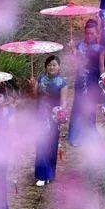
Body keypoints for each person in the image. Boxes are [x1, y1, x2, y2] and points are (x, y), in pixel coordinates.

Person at [68, 19, 105, 146]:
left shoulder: (100, 48)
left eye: (92, 34)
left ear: (97, 34)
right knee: (77, 107)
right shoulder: (79, 46)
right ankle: (75, 136)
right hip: (80, 80)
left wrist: (103, 82)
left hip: (93, 81)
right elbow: (74, 64)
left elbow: (101, 66)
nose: (89, 36)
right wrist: (73, 52)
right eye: (87, 33)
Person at [33, 55, 67, 187]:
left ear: (58, 67)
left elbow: (64, 103)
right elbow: (35, 96)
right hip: (40, 115)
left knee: (51, 145)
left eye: (54, 65)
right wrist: (32, 86)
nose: (51, 67)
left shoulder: (62, 82)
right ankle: (43, 175)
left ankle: (50, 174)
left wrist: (59, 110)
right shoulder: (40, 79)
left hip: (54, 117)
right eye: (49, 65)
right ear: (46, 67)